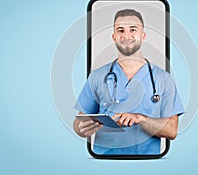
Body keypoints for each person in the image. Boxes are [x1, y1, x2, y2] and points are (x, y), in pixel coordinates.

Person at [73, 9, 184, 155]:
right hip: (105, 162)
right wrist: (81, 128)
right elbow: (79, 122)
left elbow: (172, 130)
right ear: (114, 37)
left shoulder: (163, 78)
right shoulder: (97, 76)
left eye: (133, 29)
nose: (126, 35)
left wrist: (141, 119)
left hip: (149, 163)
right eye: (120, 30)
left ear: (143, 35)